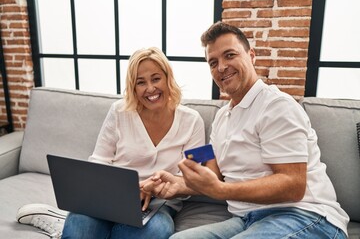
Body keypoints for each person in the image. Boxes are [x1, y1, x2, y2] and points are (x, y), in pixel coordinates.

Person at [142, 22, 349, 239]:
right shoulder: (222, 117)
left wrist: (221, 191)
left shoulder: (277, 106)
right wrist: (179, 184)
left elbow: (294, 185)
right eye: (213, 62)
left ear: (251, 55)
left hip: (306, 216)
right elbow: (212, 172)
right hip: (246, 219)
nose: (221, 67)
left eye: (229, 55)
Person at [17, 47, 206, 239]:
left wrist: (158, 187)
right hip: (111, 198)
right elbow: (99, 161)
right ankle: (65, 225)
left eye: (156, 78)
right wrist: (131, 189)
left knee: (157, 230)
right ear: (133, 87)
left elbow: (194, 177)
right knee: (80, 227)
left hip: (159, 204)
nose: (150, 88)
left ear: (168, 78)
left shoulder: (193, 121)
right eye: (141, 82)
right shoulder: (119, 112)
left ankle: (60, 226)